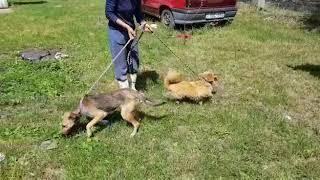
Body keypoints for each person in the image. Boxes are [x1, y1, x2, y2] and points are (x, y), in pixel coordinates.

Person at [105, 0, 152, 90]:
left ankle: (133, 88)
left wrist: (143, 23)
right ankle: (125, 91)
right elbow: (109, 13)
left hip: (131, 30)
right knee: (120, 64)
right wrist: (126, 27)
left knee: (134, 60)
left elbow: (137, 11)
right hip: (116, 31)